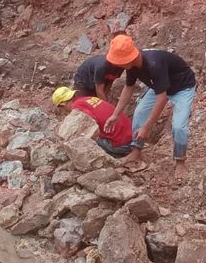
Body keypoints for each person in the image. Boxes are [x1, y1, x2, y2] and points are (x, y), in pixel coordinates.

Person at [103, 34, 196, 174]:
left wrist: (146, 127)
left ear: (130, 58)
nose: (117, 64)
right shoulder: (132, 66)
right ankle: (135, 151)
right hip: (159, 87)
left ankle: (180, 161)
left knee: (179, 126)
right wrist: (115, 114)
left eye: (119, 61)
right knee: (139, 113)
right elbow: (128, 88)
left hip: (182, 88)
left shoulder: (154, 64)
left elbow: (162, 99)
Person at [52, 86, 133, 157]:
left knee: (83, 141)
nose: (64, 111)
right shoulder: (88, 99)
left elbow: (92, 126)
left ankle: (113, 154)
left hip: (121, 145)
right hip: (132, 135)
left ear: (63, 104)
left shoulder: (76, 107)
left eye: (61, 109)